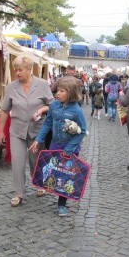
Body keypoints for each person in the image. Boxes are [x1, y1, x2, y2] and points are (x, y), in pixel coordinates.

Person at [0, 54, 54, 207]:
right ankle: (19, 193)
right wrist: (1, 132)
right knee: (17, 162)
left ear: (30, 69)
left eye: (20, 69)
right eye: (16, 70)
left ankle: (39, 184)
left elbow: (52, 105)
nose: (17, 73)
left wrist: (42, 109)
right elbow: (4, 110)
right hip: (17, 130)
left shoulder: (42, 84)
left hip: (37, 130)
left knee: (35, 160)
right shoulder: (12, 87)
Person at [29, 76, 87, 217]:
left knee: (67, 176)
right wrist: (38, 139)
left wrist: (69, 149)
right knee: (55, 172)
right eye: (57, 90)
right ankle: (54, 189)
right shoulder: (54, 106)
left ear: (71, 93)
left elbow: (82, 132)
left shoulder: (77, 110)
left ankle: (62, 204)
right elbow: (48, 123)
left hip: (70, 149)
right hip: (54, 145)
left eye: (62, 91)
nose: (57, 94)